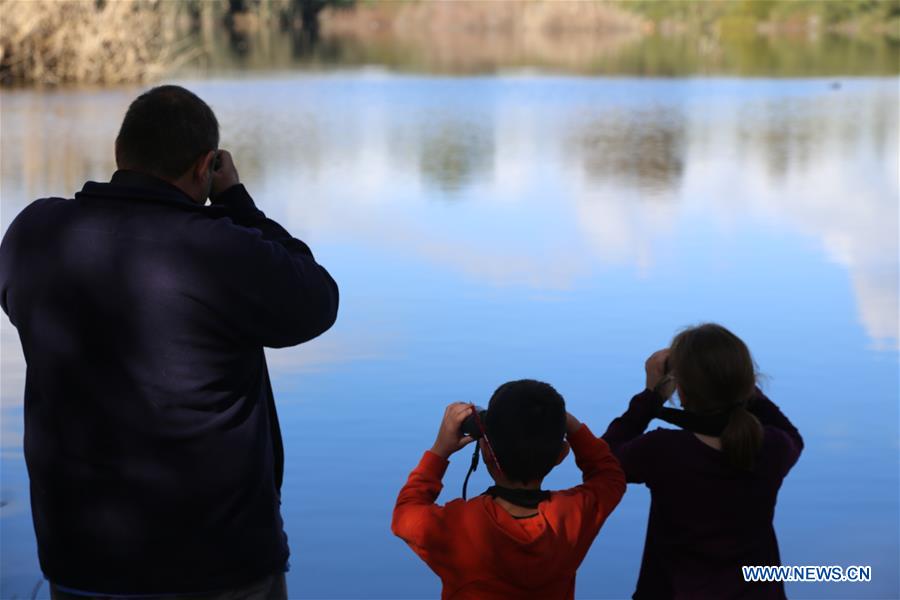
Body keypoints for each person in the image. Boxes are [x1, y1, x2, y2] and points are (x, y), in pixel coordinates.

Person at [0, 85, 339, 598]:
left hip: (80, 562)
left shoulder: (34, 233)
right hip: (218, 568)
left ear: (121, 155)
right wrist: (236, 202)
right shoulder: (219, 248)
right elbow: (317, 301)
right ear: (206, 165)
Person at [602, 323, 803, 599]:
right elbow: (792, 436)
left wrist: (651, 396)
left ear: (682, 391)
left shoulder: (663, 451)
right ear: (747, 381)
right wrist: (742, 386)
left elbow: (603, 462)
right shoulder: (772, 448)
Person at [392, 379, 626, 599]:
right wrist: (567, 423)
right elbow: (610, 477)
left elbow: (405, 513)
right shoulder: (573, 515)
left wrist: (439, 450)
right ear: (562, 455)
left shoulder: (458, 526)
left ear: (485, 449)